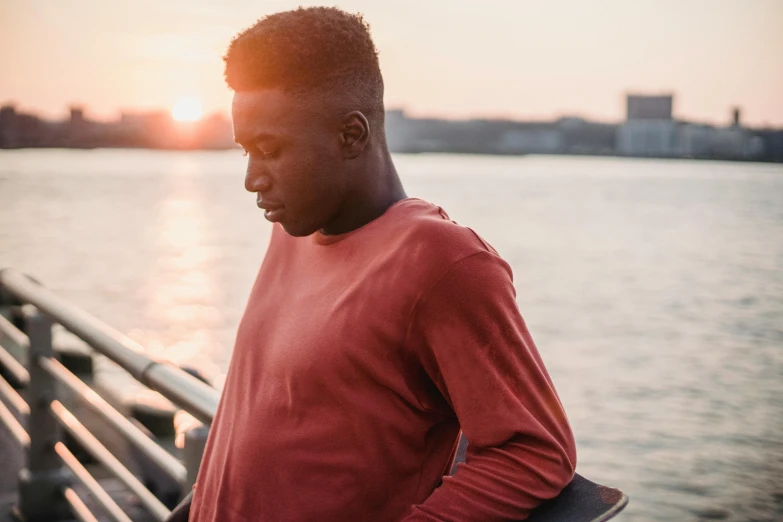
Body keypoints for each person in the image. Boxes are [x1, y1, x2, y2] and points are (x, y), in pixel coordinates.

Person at [167, 6, 576, 522]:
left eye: (270, 150)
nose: (252, 178)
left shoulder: (445, 264)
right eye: (245, 151)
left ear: (351, 136)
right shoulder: (293, 231)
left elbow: (535, 452)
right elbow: (257, 423)